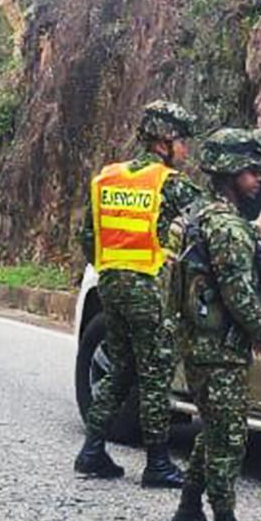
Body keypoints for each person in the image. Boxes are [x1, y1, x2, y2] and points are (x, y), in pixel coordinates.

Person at [166, 128, 261, 521]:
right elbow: (239, 295)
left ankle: (188, 512)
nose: (259, 176)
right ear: (228, 172)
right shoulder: (225, 227)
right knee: (229, 435)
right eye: (250, 169)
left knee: (214, 428)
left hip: (202, 342)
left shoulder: (204, 216)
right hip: (217, 348)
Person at [75, 101, 205, 487]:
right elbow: (211, 217)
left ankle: (93, 448)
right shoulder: (168, 183)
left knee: (122, 367)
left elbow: (87, 236)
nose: (186, 150)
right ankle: (158, 463)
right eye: (182, 142)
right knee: (155, 373)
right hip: (148, 286)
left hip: (111, 284)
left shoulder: (108, 177)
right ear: (165, 141)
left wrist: (111, 269)